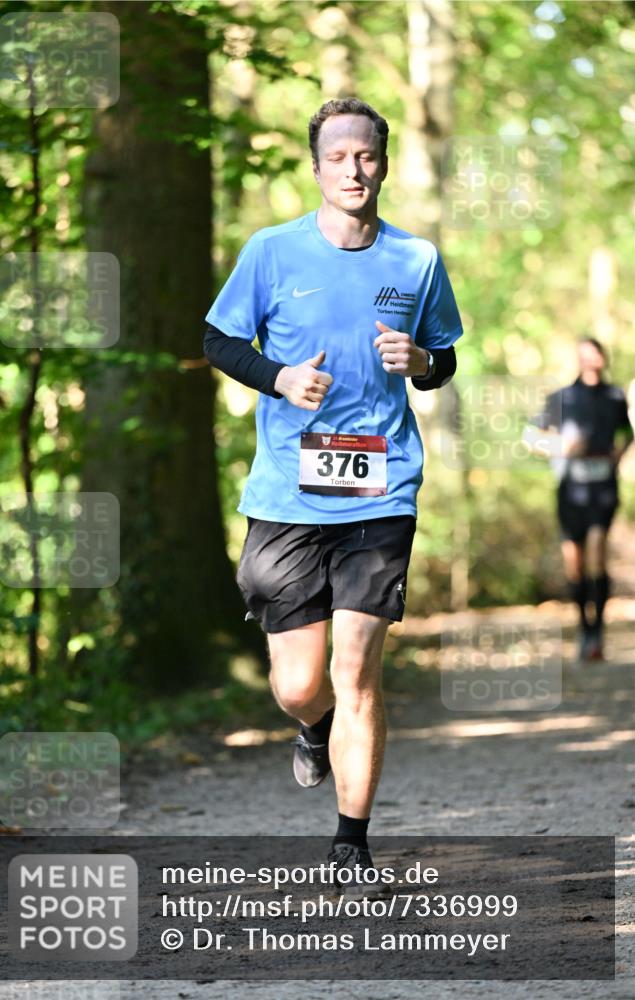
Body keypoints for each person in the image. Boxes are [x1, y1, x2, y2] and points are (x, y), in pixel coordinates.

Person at [204, 98, 463, 893]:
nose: (354, 169)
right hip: (287, 493)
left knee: (356, 670)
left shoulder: (415, 258)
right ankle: (312, 725)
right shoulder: (271, 251)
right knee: (297, 684)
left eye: (366, 155)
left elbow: (443, 358)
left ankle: (351, 843)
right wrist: (279, 377)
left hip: (381, 489)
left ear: (383, 163)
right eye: (339, 156)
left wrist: (421, 362)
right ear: (315, 167)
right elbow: (218, 340)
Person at [532, 338, 633, 660]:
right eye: (585, 355)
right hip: (570, 490)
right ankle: (584, 628)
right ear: (578, 359)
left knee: (598, 552)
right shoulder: (562, 397)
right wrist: (562, 447)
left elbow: (628, 433)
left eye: (596, 354)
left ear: (603, 357)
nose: (592, 360)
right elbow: (531, 437)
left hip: (603, 489)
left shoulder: (615, 397)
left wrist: (619, 454)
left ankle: (597, 633)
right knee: (574, 565)